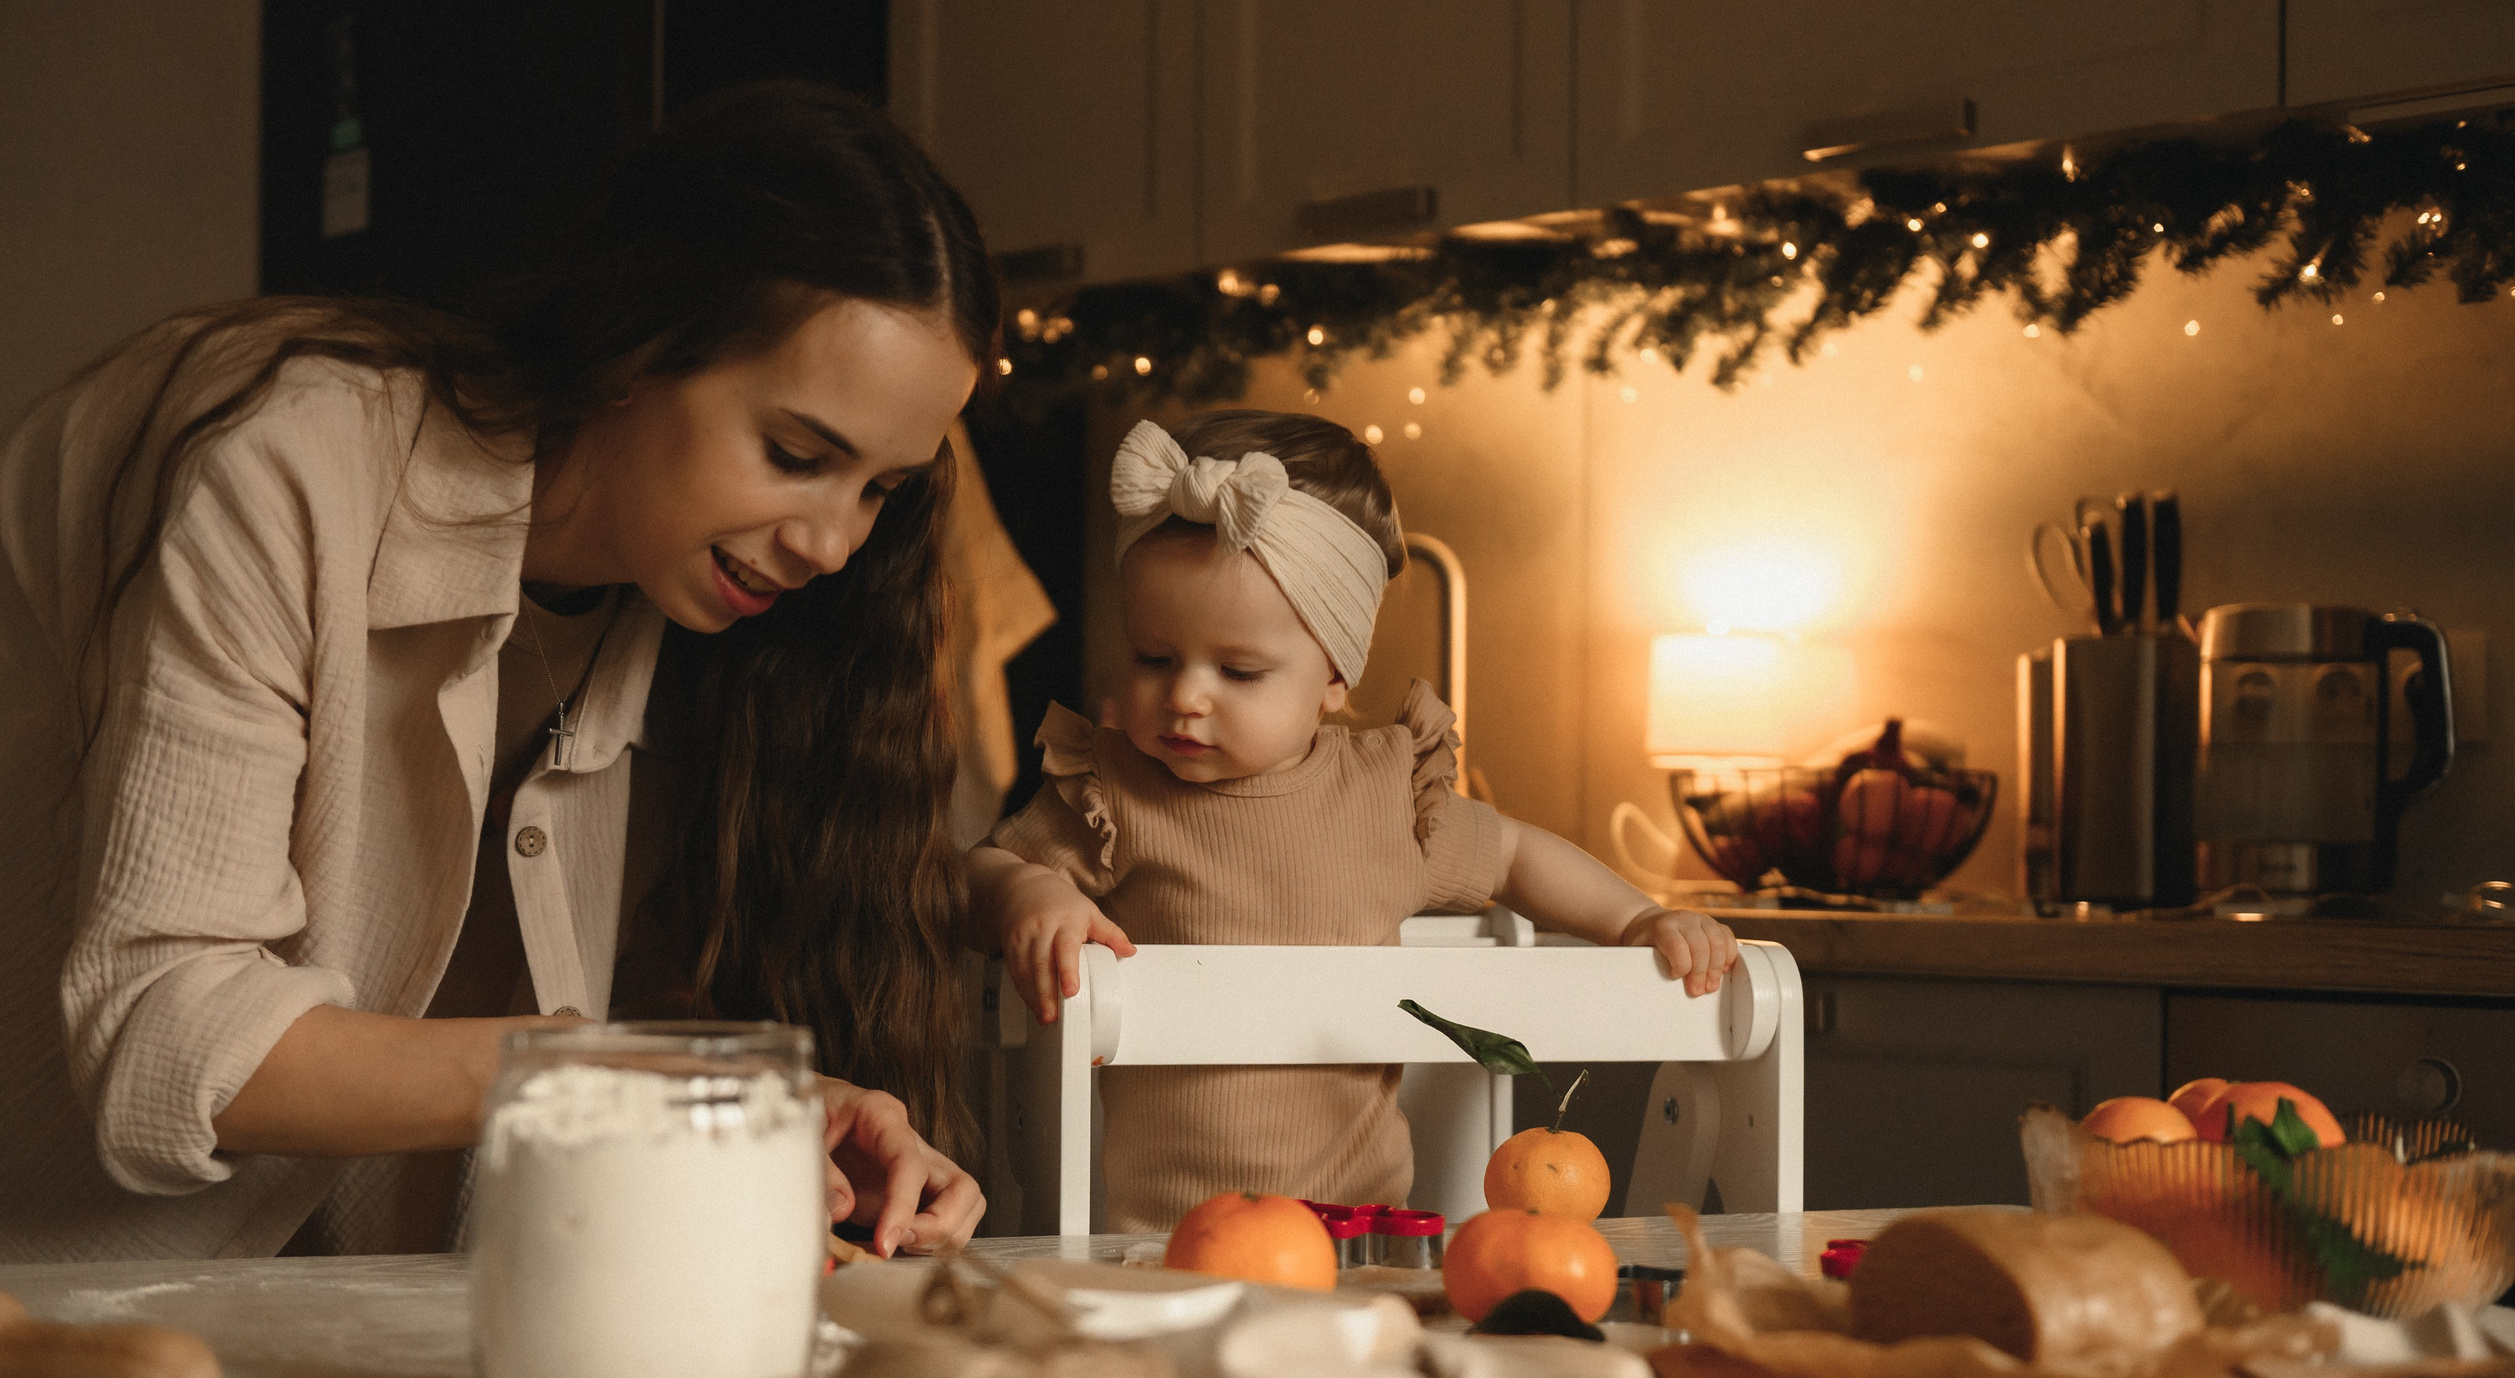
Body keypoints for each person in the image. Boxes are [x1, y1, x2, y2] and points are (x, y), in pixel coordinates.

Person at [0, 83, 992, 1262]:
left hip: (349, 1319)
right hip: (54, 1282)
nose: (833, 545)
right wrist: (629, 1074)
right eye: (795, 454)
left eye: (879, 489)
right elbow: (162, 1035)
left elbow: (615, 991)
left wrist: (760, 1141)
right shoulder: (290, 463)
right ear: (637, 339)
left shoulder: (717, 618)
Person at [967, 412, 1742, 1231]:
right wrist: (1024, 892)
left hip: (1362, 1235)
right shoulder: (1115, 791)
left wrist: (1637, 917)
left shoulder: (1384, 795)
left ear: (1334, 675)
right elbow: (974, 872)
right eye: (1155, 656)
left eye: (1238, 669)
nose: (1186, 695)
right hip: (1164, 1239)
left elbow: (1514, 854)